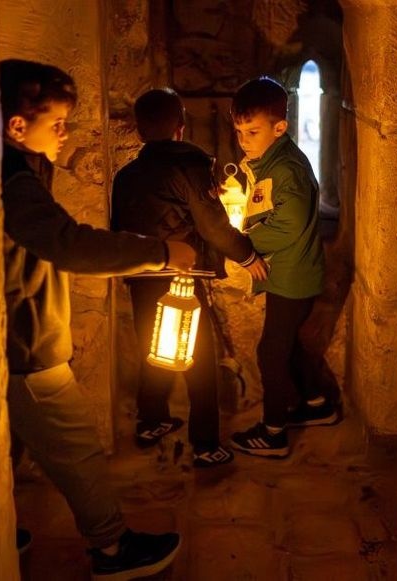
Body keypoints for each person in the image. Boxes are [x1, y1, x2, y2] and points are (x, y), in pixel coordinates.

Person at [0, 59, 191, 580]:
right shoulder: (13, 183)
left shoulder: (21, 168)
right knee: (79, 451)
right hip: (28, 349)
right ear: (18, 126)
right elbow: (69, 245)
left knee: (6, 451)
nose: (66, 133)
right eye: (57, 123)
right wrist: (160, 253)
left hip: (19, 342)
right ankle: (111, 549)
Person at [110, 88, 268, 468]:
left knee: (154, 347)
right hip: (183, 274)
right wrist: (246, 255)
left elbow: (118, 227)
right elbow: (213, 226)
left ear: (138, 130)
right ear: (181, 128)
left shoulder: (126, 175)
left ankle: (152, 420)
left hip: (142, 273)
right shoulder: (188, 168)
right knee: (199, 360)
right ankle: (205, 443)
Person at [227, 77, 339, 459]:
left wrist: (243, 245)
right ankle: (316, 404)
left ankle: (273, 431)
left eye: (253, 131)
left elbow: (288, 224)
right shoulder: (273, 160)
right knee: (288, 345)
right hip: (293, 273)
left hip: (292, 276)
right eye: (239, 131)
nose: (244, 140)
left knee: (270, 353)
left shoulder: (285, 169)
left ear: (280, 127)